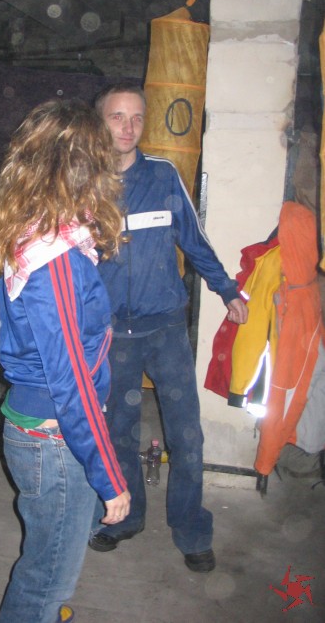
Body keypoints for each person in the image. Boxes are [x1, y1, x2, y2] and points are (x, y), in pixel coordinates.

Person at [0, 99, 130, 623]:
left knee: (46, 565)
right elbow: (72, 383)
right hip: (55, 437)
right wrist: (109, 475)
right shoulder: (56, 257)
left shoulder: (42, 232)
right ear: (84, 167)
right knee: (46, 581)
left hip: (44, 430)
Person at [88, 83, 248, 573]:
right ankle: (126, 517)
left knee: (187, 436)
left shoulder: (163, 175)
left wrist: (227, 289)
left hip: (165, 329)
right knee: (117, 433)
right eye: (117, 117)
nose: (128, 127)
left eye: (136, 117)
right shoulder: (83, 182)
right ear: (100, 122)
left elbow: (194, 240)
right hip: (111, 332)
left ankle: (191, 529)